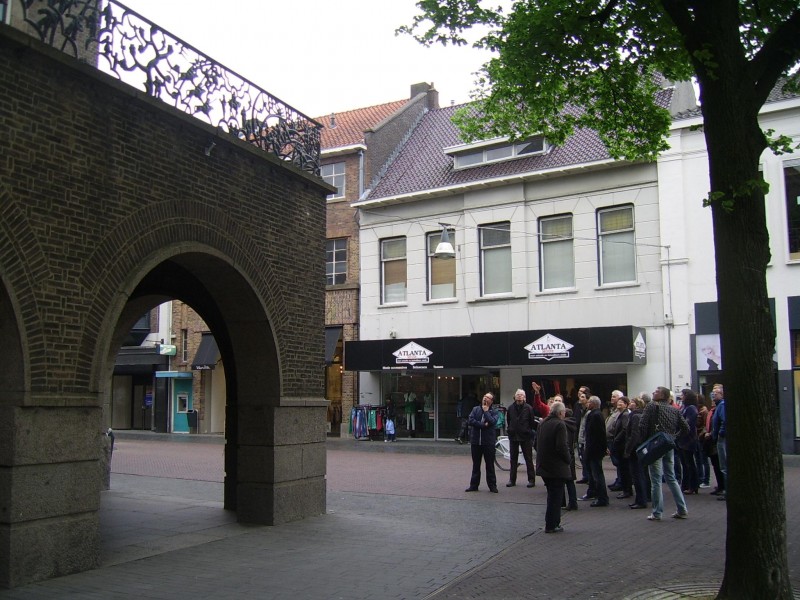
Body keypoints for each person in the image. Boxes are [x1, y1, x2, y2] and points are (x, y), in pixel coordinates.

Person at [639, 386, 689, 521]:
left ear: (662, 395)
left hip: (655, 446)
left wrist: (644, 442)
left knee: (655, 480)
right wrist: (673, 438)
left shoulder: (651, 407)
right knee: (671, 477)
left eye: (656, 391)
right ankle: (682, 508)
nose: (653, 393)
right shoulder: (674, 409)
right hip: (668, 445)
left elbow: (642, 425)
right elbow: (686, 428)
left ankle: (657, 512)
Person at [536, 401, 572, 533]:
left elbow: (536, 443)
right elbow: (561, 446)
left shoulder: (542, 423)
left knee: (551, 495)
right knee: (556, 497)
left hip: (544, 465)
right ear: (561, 413)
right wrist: (568, 459)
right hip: (556, 466)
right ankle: (553, 524)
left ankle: (550, 523)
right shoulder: (560, 424)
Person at [465, 392, 499, 493]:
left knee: (489, 465)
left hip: (488, 442)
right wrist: (482, 425)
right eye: (484, 397)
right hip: (476, 442)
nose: (485, 399)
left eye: (488, 398)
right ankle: (474, 485)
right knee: (476, 465)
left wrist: (486, 412)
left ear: (491, 401)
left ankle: (492, 485)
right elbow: (471, 420)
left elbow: (492, 422)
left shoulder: (494, 411)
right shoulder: (475, 409)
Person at [505, 389, 537, 488]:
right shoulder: (510, 408)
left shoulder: (529, 408)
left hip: (525, 436)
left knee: (528, 459)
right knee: (513, 459)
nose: (519, 396)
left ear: (524, 397)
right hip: (513, 436)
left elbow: (532, 422)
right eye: (518, 395)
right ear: (515, 397)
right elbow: (509, 420)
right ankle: (512, 480)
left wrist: (527, 430)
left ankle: (531, 480)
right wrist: (510, 430)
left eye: (521, 395)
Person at [583, 396, 609, 506]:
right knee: (596, 474)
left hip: (594, 450)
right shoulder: (596, 415)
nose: (587, 404)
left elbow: (598, 434)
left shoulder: (595, 415)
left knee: (597, 474)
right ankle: (599, 496)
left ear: (593, 403)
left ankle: (602, 498)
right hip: (595, 449)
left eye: (589, 402)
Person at [624, 397, 649, 509]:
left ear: (637, 405)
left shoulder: (635, 416)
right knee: (640, 474)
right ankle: (640, 499)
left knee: (637, 475)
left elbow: (634, 435)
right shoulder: (641, 415)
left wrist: (628, 450)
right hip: (640, 448)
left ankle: (641, 500)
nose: (630, 403)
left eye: (633, 402)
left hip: (635, 449)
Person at [676, 389, 699, 494]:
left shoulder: (691, 408)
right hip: (682, 439)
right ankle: (685, 484)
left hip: (689, 439)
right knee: (685, 464)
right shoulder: (684, 407)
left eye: (683, 395)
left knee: (689, 463)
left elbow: (688, 423)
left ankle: (693, 485)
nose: (681, 397)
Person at [610, 396, 632, 499]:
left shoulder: (625, 415)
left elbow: (624, 429)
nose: (619, 403)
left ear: (626, 404)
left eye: (622, 402)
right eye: (618, 402)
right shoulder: (621, 414)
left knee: (624, 469)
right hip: (620, 445)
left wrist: (616, 439)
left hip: (622, 446)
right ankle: (626, 489)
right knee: (623, 468)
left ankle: (626, 490)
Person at [711, 384, 727, 501]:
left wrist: (720, 434)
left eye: (715, 394)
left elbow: (724, 421)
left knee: (724, 466)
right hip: (720, 437)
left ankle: (727, 491)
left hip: (722, 439)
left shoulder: (722, 406)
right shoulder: (719, 406)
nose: (713, 395)